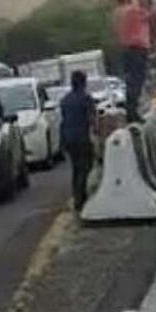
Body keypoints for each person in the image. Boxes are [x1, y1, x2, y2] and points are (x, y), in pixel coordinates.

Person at [60, 70, 97, 212]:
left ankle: (77, 197)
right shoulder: (86, 98)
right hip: (82, 138)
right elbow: (92, 120)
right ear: (84, 83)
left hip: (68, 139)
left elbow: (64, 121)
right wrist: (96, 134)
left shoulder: (65, 100)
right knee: (85, 167)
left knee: (76, 169)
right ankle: (81, 199)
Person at [113, 0, 151, 123]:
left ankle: (131, 110)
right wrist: (140, 0)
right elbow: (150, 16)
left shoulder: (117, 12)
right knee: (137, 80)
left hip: (124, 49)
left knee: (130, 80)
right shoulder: (132, 10)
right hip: (137, 48)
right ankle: (133, 111)